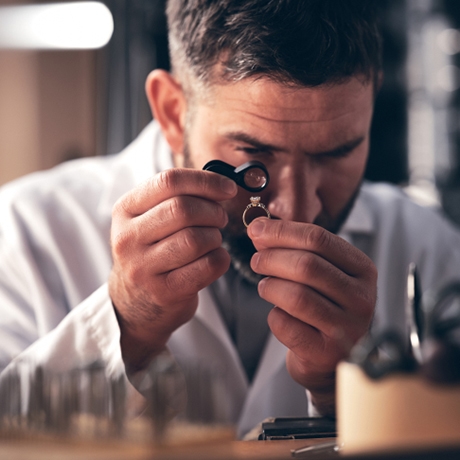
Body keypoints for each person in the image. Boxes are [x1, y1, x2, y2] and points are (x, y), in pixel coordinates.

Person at [1, 0, 460, 438]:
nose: (298, 210)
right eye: (254, 156)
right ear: (173, 111)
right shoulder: (24, 232)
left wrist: (345, 396)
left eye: (337, 152)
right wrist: (126, 325)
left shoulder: (427, 244)